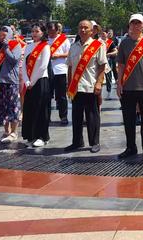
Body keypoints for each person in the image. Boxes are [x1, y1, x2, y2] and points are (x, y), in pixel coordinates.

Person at [116, 14, 143, 160]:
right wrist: (119, 83)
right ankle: (131, 147)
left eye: (138, 23)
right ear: (129, 26)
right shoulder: (124, 43)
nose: (135, 26)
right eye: (133, 23)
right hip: (127, 87)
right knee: (129, 120)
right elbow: (120, 65)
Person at [65, 20, 107, 153]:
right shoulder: (74, 46)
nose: (83, 30)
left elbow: (102, 66)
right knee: (76, 116)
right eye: (80, 27)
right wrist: (69, 84)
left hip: (90, 86)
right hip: (76, 87)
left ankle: (95, 142)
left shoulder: (98, 45)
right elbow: (70, 67)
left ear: (91, 30)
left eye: (85, 28)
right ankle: (77, 142)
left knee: (92, 115)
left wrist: (99, 83)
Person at [21, 23, 51, 147]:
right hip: (29, 83)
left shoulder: (45, 47)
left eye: (37, 31)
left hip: (40, 82)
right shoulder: (28, 46)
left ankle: (42, 136)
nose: (34, 33)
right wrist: (26, 81)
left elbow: (43, 66)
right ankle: (31, 134)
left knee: (41, 109)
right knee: (30, 108)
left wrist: (32, 82)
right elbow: (23, 64)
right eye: (32, 31)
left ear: (43, 33)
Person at [0, 26, 23, 143]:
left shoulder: (16, 45)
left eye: (4, 35)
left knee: (13, 107)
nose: (1, 38)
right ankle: (6, 131)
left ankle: (14, 132)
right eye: (0, 35)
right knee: (3, 107)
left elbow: (14, 60)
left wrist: (6, 48)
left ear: (9, 35)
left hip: (11, 80)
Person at [47, 21, 70, 124]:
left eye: (53, 31)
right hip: (47, 72)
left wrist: (58, 56)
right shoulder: (44, 40)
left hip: (60, 71)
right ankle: (46, 117)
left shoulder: (64, 40)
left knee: (61, 96)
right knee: (47, 95)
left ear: (57, 30)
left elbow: (69, 53)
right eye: (49, 31)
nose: (51, 34)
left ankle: (63, 117)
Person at [100, 29, 118, 98]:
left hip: (108, 61)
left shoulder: (110, 42)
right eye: (102, 34)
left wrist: (109, 54)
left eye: (104, 34)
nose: (103, 35)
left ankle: (108, 92)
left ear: (107, 34)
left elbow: (116, 51)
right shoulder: (97, 42)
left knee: (108, 76)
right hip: (99, 61)